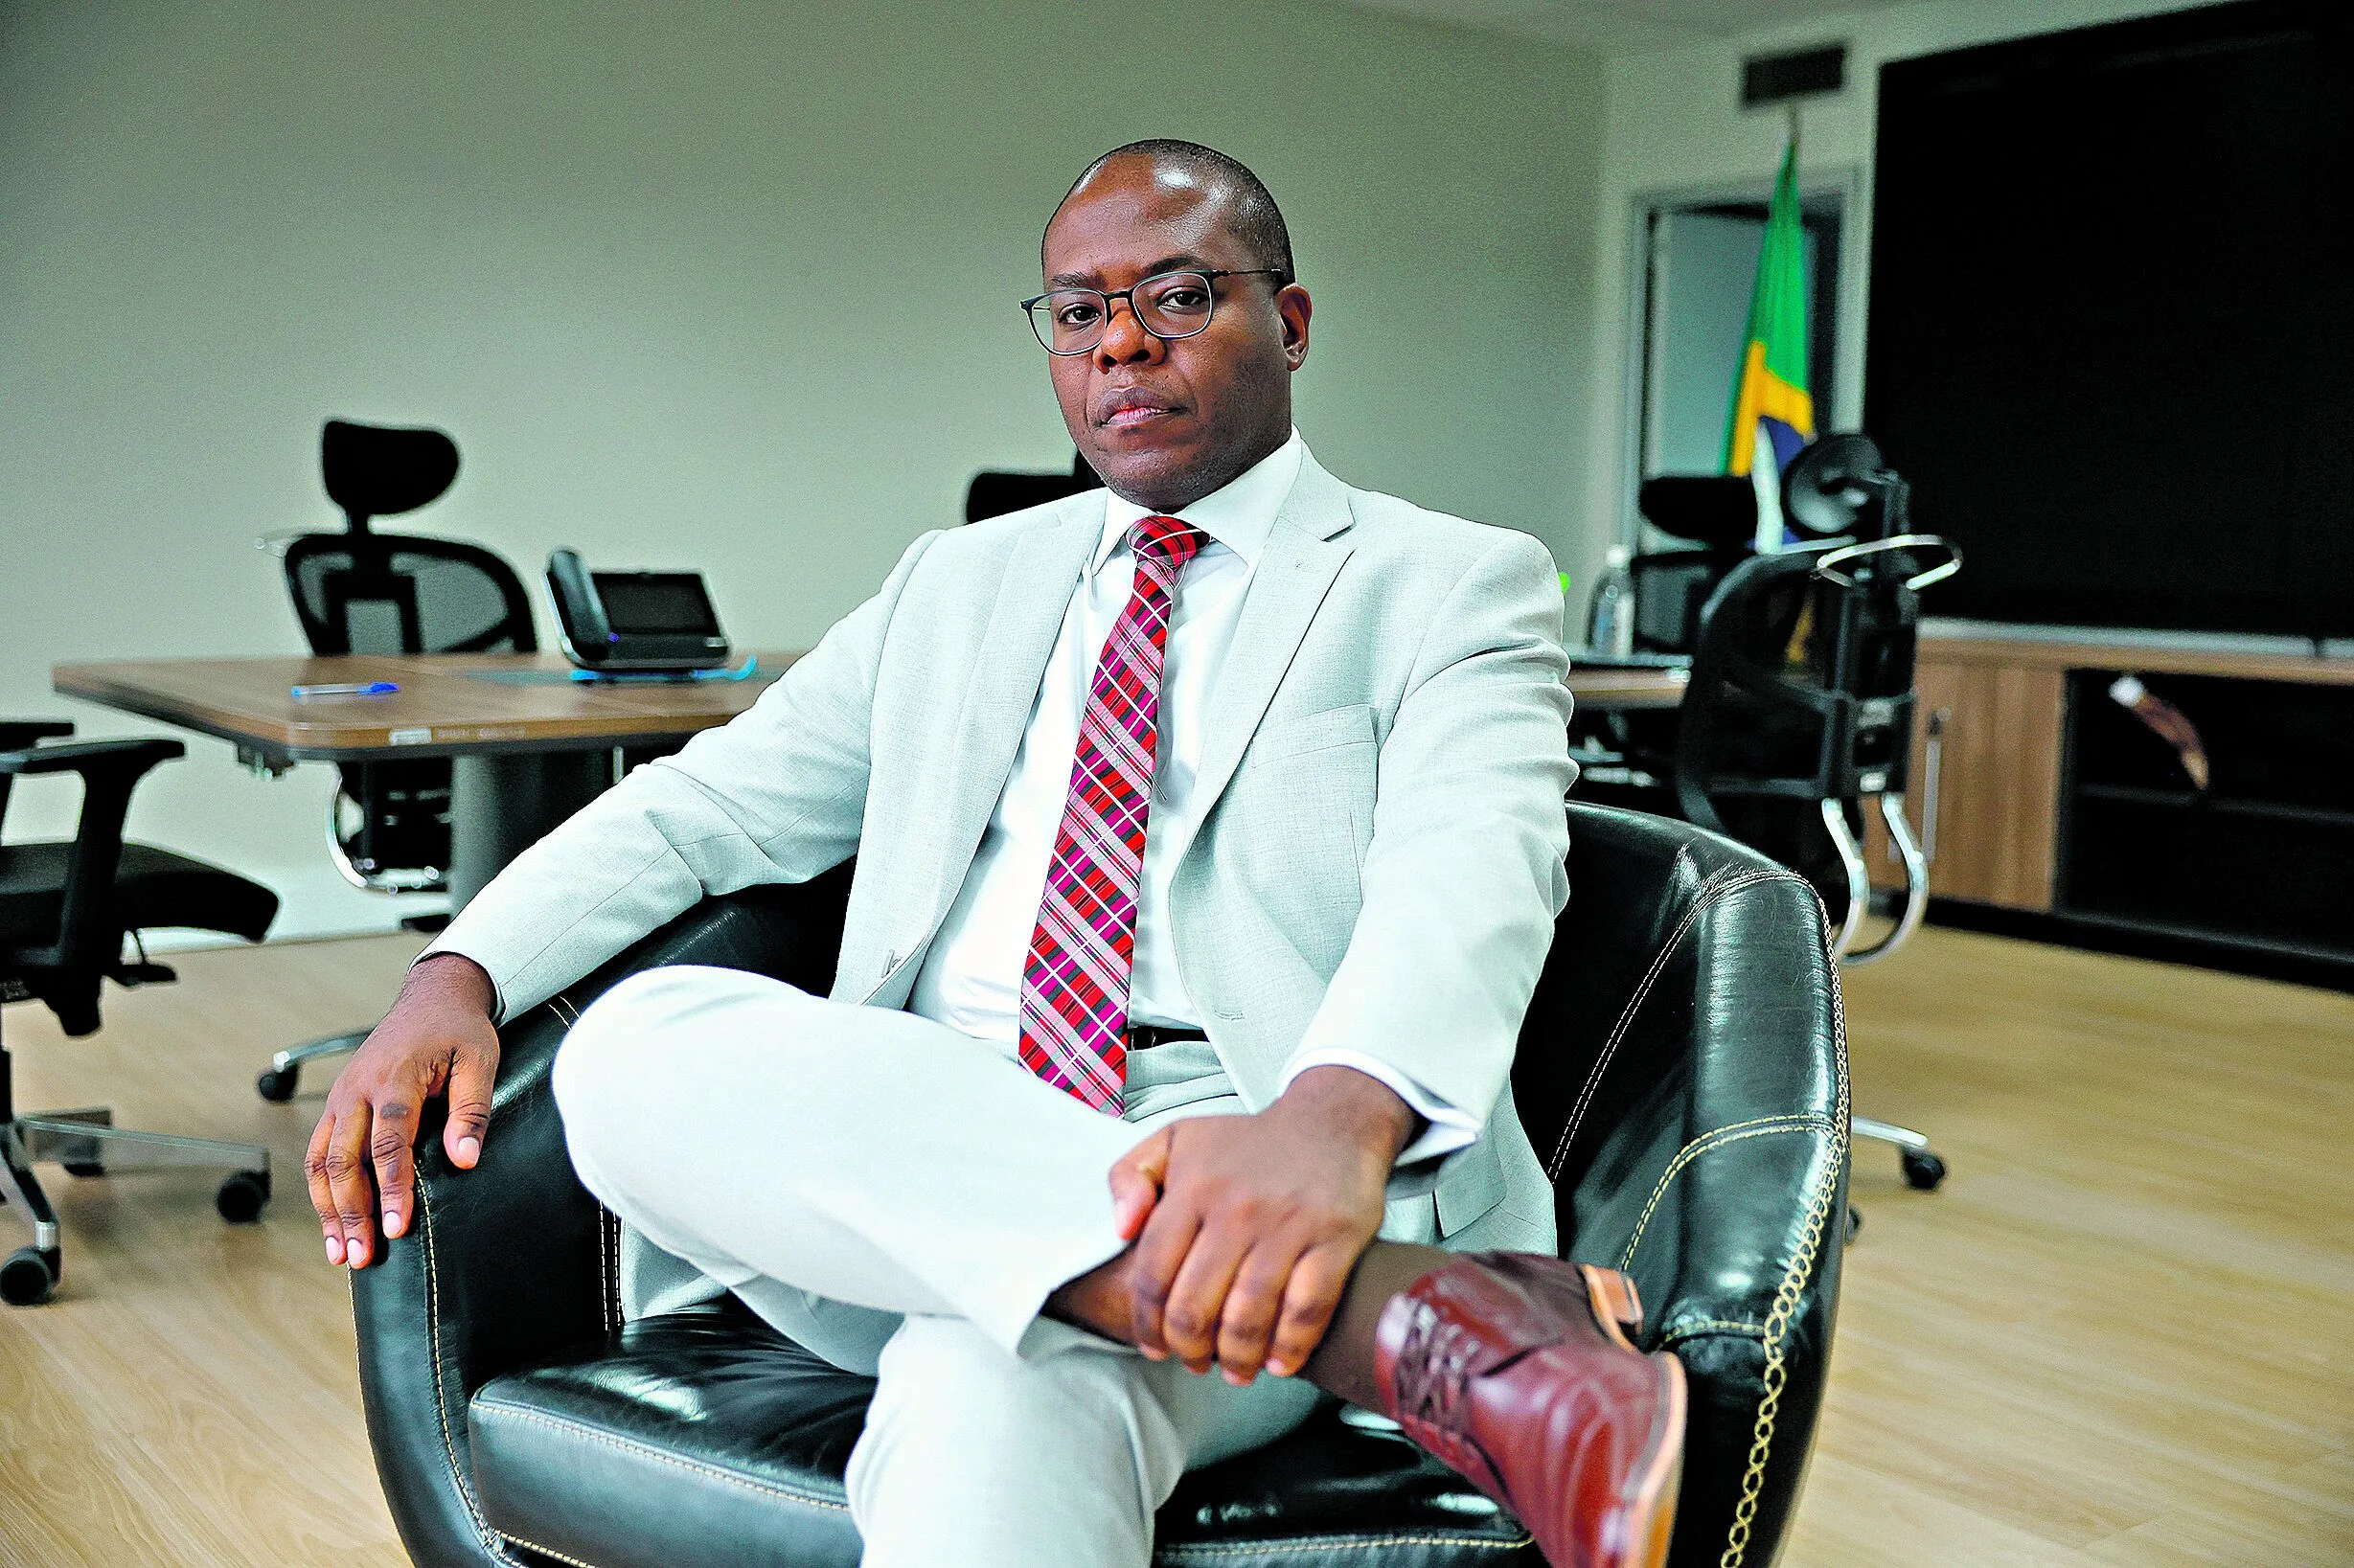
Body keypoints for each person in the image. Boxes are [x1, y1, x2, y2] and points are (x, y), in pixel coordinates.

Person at [308, 140, 1684, 1568]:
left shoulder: (1447, 580)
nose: (1124, 345)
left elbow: (1476, 868)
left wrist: (1329, 1126)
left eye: (1180, 295)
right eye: (1080, 312)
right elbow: (706, 803)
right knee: (630, 1044)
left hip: (1244, 1156)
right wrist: (455, 968)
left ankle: (1304, 1288)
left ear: (1291, 320)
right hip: (908, 1144)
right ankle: (1409, 1327)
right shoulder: (955, 581)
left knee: (997, 1381)